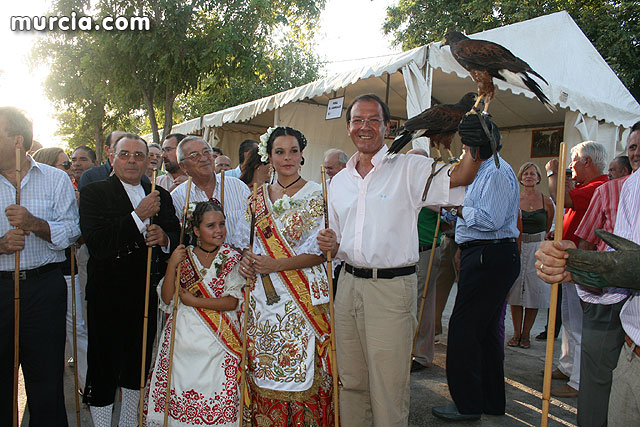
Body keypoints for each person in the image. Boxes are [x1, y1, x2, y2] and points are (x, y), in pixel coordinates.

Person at [317, 93, 485, 426]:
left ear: (387, 127)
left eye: (373, 120)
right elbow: (334, 240)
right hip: (347, 286)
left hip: (391, 290)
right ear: (348, 127)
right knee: (351, 381)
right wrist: (330, 243)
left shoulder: (410, 168)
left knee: (388, 387)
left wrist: (475, 146)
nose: (365, 127)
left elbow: (461, 177)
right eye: (358, 120)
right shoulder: (338, 182)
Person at [80, 133, 180, 427]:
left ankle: (127, 423)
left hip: (145, 295)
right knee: (103, 366)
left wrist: (164, 238)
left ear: (148, 160)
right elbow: (98, 244)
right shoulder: (95, 192)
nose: (132, 161)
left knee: (137, 367)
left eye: (139, 155)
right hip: (107, 296)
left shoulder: (160, 195)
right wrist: (138, 216)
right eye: (125, 154)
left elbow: (177, 236)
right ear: (112, 156)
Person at [238, 126, 334, 425]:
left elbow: (321, 253)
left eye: (293, 151)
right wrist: (246, 260)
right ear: (269, 157)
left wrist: (276, 265)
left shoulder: (318, 194)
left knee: (302, 363)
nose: (287, 158)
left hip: (302, 297)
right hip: (262, 298)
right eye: (279, 152)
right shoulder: (256, 197)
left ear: (302, 155)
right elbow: (247, 244)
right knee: (264, 364)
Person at [535, 164, 639, 427]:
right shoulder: (633, 186)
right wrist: (577, 269)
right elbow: (616, 274)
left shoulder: (603, 187)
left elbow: (563, 199)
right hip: (633, 356)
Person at [432, 126, 521, 421]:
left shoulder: (495, 171)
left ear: (477, 149)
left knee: (464, 330)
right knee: (484, 333)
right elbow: (470, 213)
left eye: (465, 149)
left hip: (490, 255)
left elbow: (489, 219)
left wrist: (458, 211)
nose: (462, 154)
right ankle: (490, 401)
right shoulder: (481, 173)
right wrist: (445, 210)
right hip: (485, 254)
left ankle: (467, 404)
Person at [0, 107, 80, 426]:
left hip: (44, 289)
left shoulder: (55, 178)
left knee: (46, 382)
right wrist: (1, 245)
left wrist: (35, 223)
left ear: (17, 141)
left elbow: (72, 231)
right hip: (0, 288)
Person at [145, 201, 244, 426]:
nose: (218, 230)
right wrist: (172, 265)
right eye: (211, 226)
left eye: (221, 224)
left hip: (218, 341)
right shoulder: (184, 256)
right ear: (196, 231)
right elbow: (167, 299)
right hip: (183, 340)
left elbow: (232, 302)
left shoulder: (231, 258)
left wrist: (195, 301)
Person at [571, 125, 637, 426]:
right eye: (632, 146)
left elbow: (585, 239)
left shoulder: (608, 188)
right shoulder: (618, 189)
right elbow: (589, 242)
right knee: (599, 371)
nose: (636, 152)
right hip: (609, 294)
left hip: (618, 297)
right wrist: (588, 284)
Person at [545, 140, 609, 398]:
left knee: (579, 322)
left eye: (574, 162)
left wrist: (553, 172)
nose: (571, 166)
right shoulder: (587, 186)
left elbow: (560, 198)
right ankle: (568, 365)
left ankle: (578, 380)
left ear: (587, 162)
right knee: (569, 318)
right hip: (570, 261)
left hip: (581, 264)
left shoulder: (598, 186)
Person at [33, 145, 90, 390]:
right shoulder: (40, 195)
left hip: (70, 269)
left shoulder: (72, 191)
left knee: (77, 328)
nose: (71, 168)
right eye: (65, 164)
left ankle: (87, 384)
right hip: (47, 273)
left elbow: (78, 235)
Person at [506, 162, 554, 349]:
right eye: (525, 173)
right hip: (518, 246)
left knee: (534, 291)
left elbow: (548, 227)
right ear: (520, 178)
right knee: (516, 291)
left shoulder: (546, 201)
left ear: (539, 178)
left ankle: (526, 335)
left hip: (537, 247)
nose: (529, 176)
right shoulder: (513, 199)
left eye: (533, 173)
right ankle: (516, 333)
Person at [171, 136, 249, 249]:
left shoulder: (238, 187)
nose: (203, 158)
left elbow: (254, 227)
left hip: (241, 259)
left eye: (206, 152)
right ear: (183, 166)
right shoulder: (177, 198)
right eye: (194, 155)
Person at [407, 148, 441, 372]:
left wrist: (427, 202)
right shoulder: (406, 184)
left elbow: (449, 213)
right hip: (406, 251)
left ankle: (420, 354)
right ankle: (408, 349)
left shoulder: (433, 187)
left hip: (426, 249)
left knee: (423, 303)